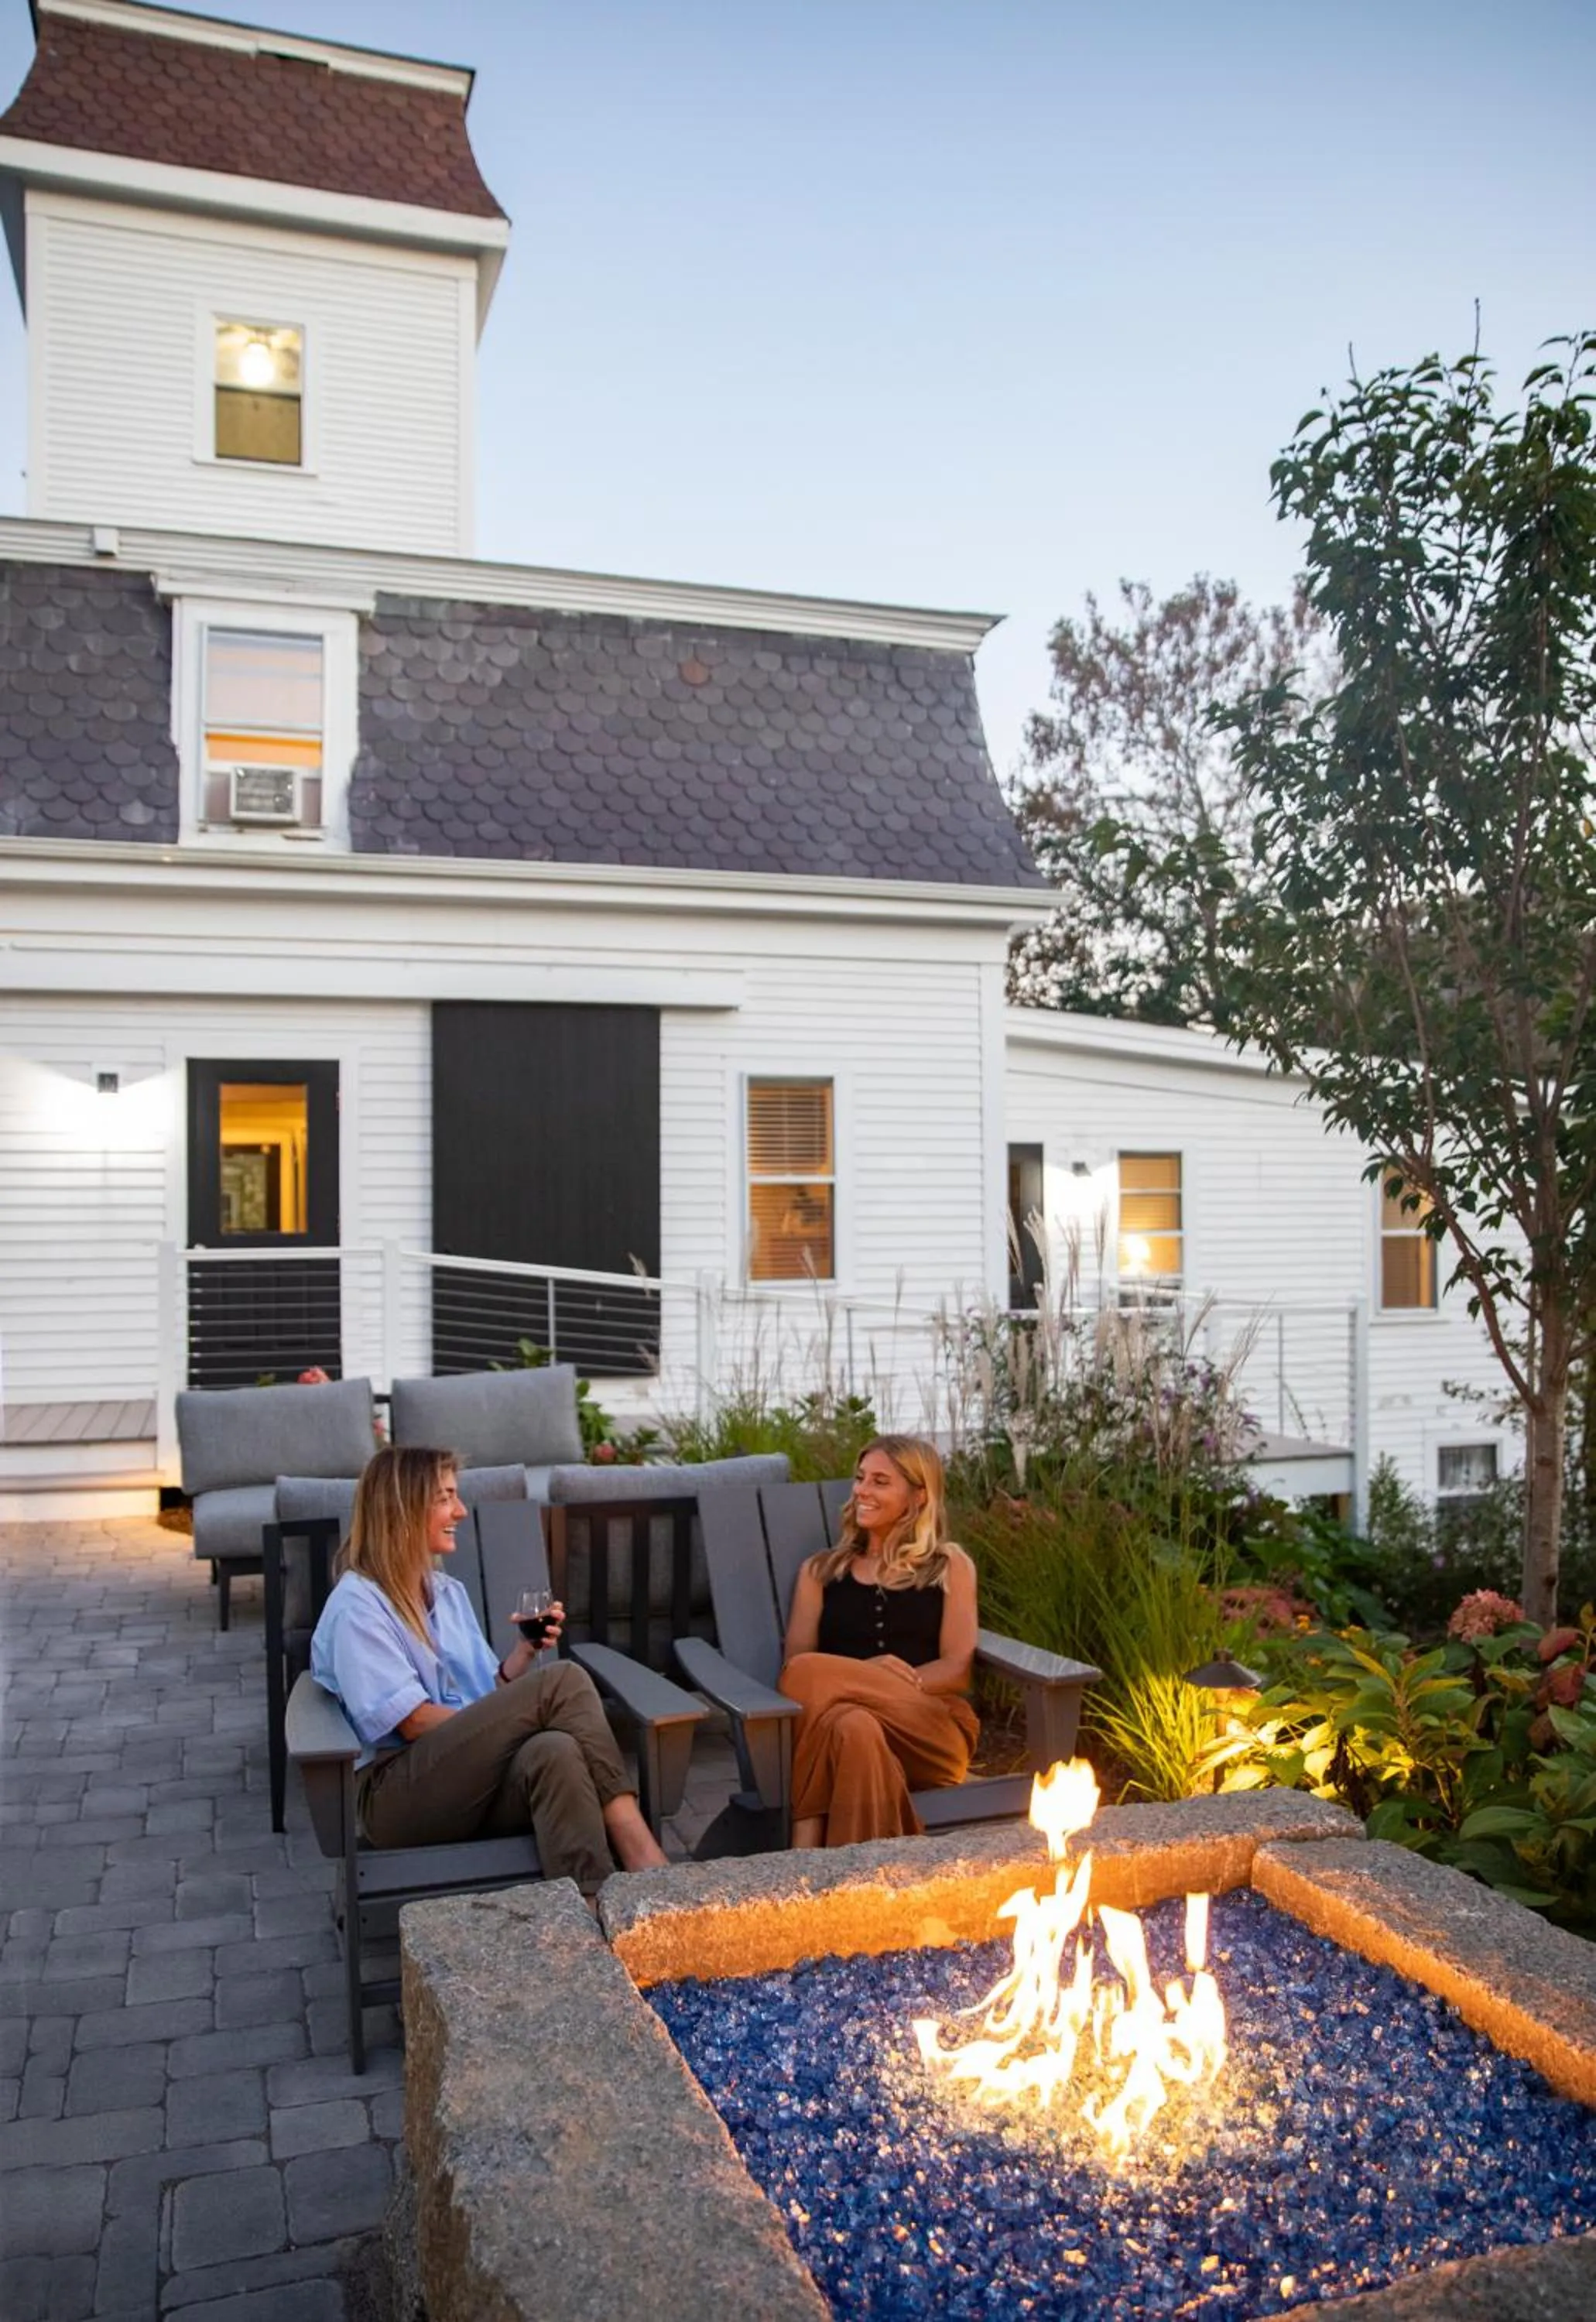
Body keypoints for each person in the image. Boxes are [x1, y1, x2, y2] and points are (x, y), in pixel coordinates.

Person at [309, 1445, 668, 1893]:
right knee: (563, 1681)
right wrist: (519, 1715)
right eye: (444, 1498)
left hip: (463, 1778)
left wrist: (522, 1655)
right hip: (396, 1795)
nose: (460, 1510)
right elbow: (412, 1721)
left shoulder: (446, 1592)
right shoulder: (358, 1607)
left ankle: (593, 1903)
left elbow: (485, 1696)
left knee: (554, 1750)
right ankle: (641, 1852)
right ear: (402, 1508)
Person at [779, 1434, 978, 1848]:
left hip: (930, 1732)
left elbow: (957, 1669)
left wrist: (876, 1684)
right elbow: (795, 1674)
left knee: (821, 1686)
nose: (862, 1491)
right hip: (844, 1734)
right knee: (853, 1724)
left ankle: (804, 1840)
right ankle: (865, 1874)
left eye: (880, 1481)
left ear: (918, 1496)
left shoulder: (949, 1566)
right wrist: (864, 1675)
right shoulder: (820, 1572)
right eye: (860, 1478)